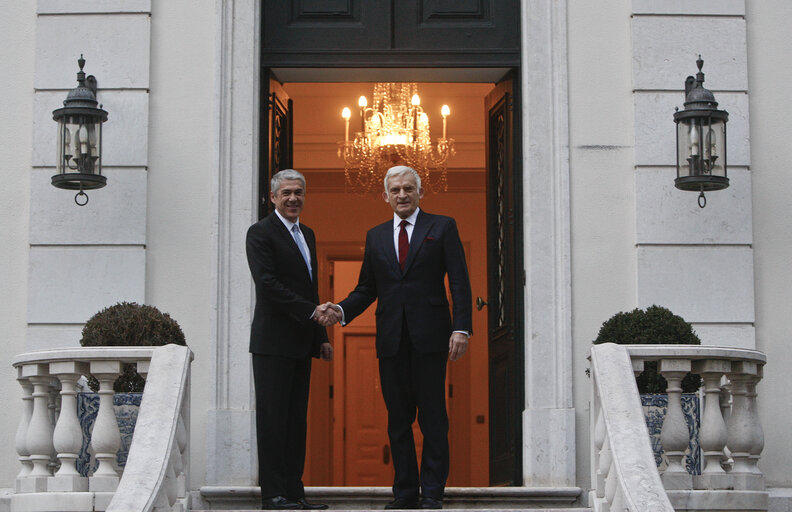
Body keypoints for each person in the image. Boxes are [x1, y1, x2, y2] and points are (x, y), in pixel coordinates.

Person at [323, 165, 473, 510]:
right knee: (397, 419)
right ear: (385, 196)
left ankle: (432, 492)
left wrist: (461, 328)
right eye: (396, 190)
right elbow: (366, 288)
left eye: (408, 189)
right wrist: (341, 311)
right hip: (391, 339)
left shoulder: (442, 227)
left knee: (433, 417)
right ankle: (405, 492)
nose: (402, 195)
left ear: (420, 192)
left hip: (432, 337)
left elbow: (460, 282)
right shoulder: (375, 236)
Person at [246, 169, 335, 510]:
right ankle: (274, 495)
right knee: (273, 420)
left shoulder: (307, 234)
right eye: (286, 193)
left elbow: (309, 289)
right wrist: (313, 313)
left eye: (298, 192)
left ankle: (295, 493)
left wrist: (321, 337)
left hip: (301, 343)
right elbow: (268, 285)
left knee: (297, 420)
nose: (293, 198)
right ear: (273, 197)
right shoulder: (260, 233)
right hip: (272, 343)